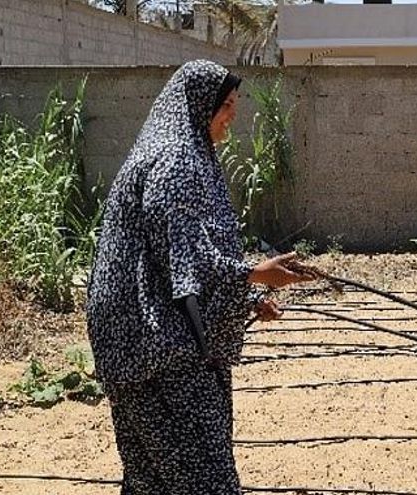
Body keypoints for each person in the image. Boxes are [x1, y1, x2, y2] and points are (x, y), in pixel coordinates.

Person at [86, 60, 312, 495]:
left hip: (135, 345)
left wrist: (244, 297)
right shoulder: (176, 160)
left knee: (152, 481)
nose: (233, 115)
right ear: (197, 105)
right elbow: (180, 254)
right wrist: (249, 273)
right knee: (205, 481)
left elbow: (172, 259)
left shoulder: (181, 151)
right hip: (159, 351)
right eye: (225, 105)